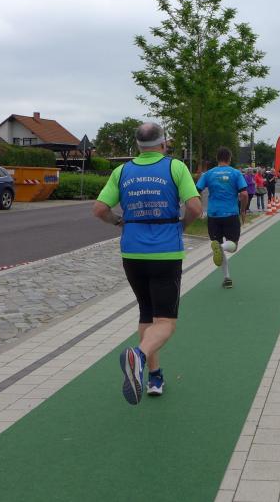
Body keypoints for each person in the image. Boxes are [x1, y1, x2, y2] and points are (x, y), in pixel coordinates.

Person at [93, 122, 202, 406]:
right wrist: (182, 225)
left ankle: (153, 377)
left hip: (132, 253)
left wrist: (119, 221)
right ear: (163, 143)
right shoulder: (175, 167)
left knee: (146, 313)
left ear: (137, 146)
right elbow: (194, 207)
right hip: (165, 252)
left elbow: (100, 209)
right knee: (165, 322)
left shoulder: (122, 171)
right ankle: (138, 356)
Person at [196, 147, 248, 289]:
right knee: (233, 246)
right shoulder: (236, 173)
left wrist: (200, 209)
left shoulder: (208, 174)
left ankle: (227, 277)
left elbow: (196, 191)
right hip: (230, 214)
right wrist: (243, 209)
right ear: (229, 158)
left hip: (213, 215)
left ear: (217, 158)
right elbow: (244, 194)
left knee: (218, 247)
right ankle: (221, 247)